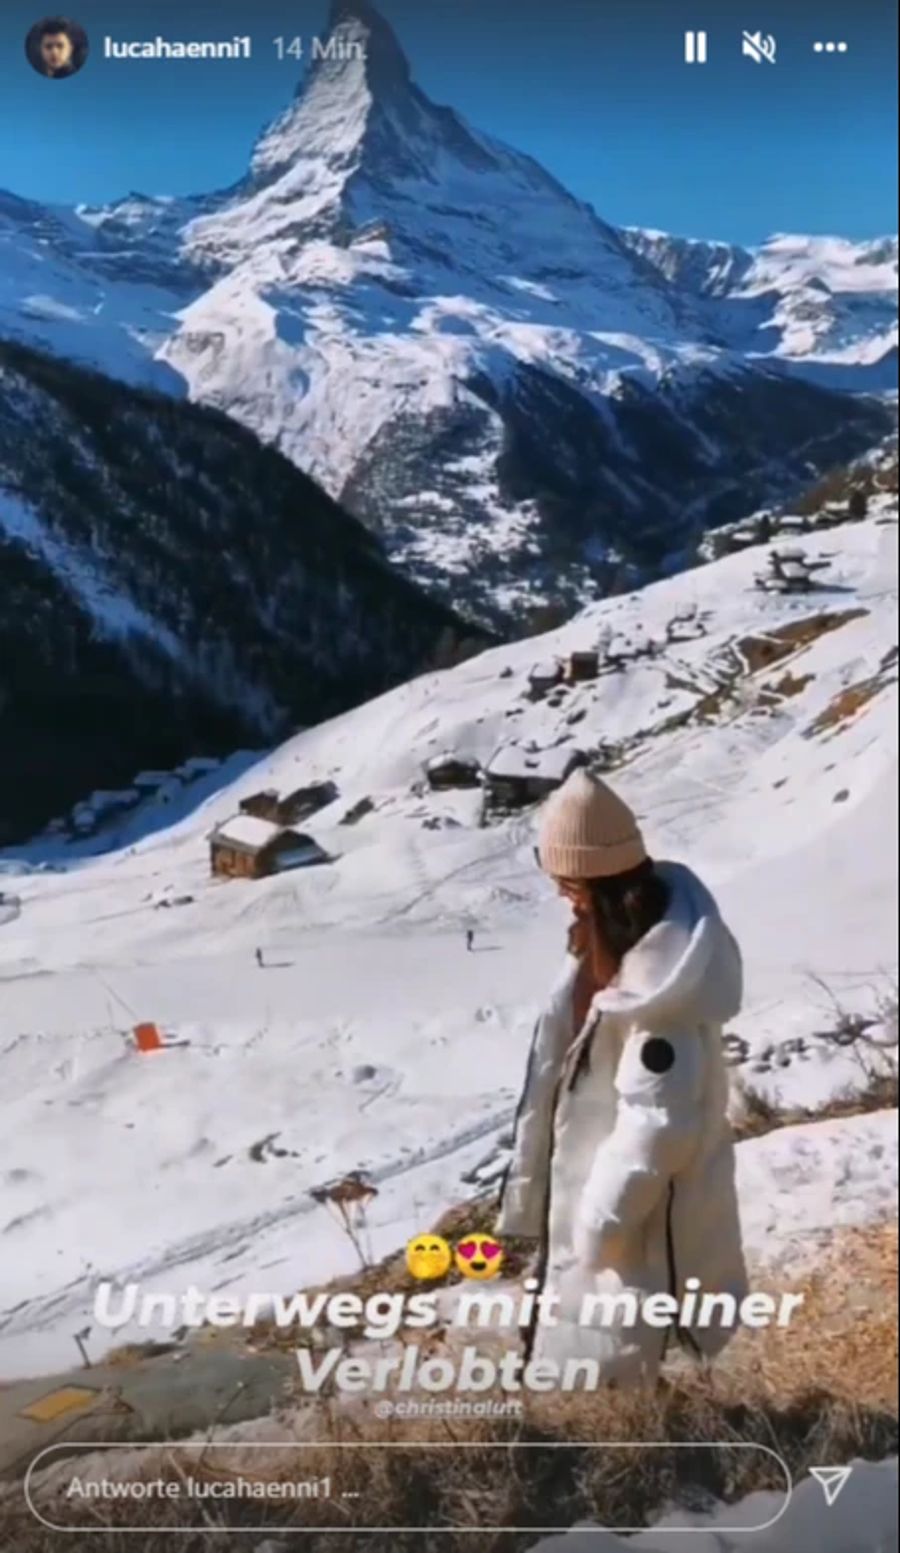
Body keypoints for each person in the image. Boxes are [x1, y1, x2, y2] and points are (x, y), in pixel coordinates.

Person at [497, 768, 747, 1387]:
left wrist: (594, 1227)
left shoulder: (659, 1000)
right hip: (600, 1223)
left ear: (586, 881)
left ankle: (642, 1467)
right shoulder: (611, 947)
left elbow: (657, 1128)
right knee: (594, 1365)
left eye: (563, 879)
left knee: (609, 1379)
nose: (558, 892)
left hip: (627, 1234)